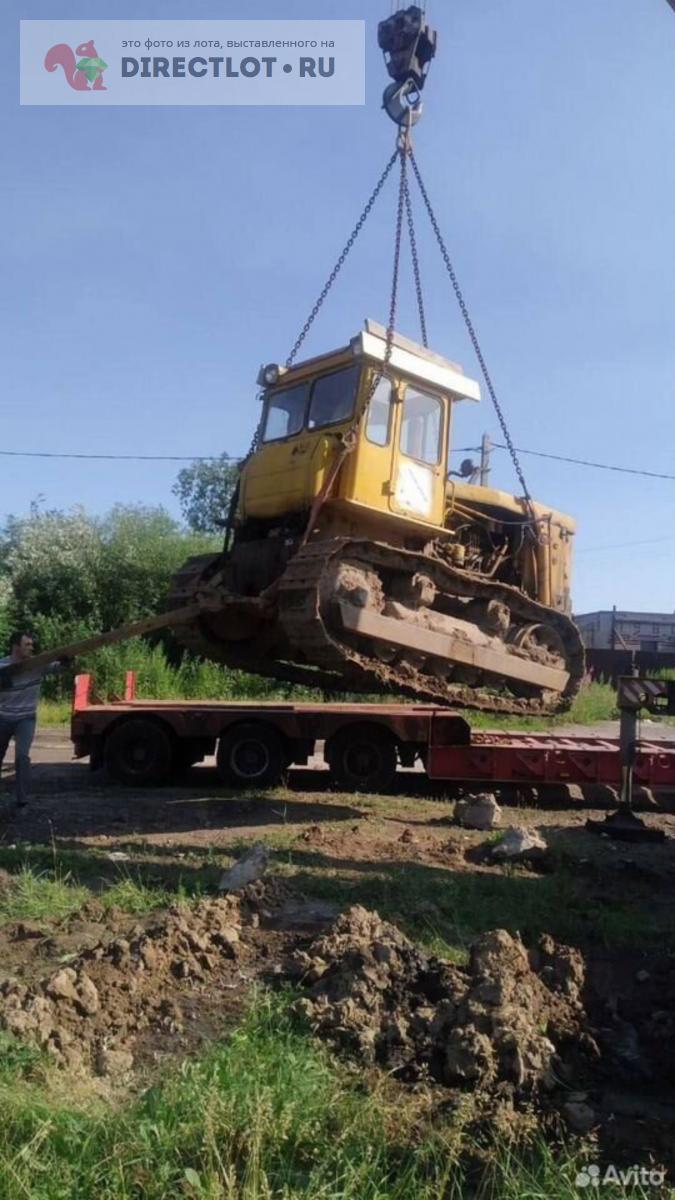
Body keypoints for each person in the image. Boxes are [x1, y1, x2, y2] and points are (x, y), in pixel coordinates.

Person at [0, 632, 69, 813]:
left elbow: (58, 668)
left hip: (26, 718)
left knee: (22, 756)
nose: (31, 648)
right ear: (16, 647)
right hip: (3, 717)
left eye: (32, 645)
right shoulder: (2, 665)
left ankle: (22, 800)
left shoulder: (38, 664)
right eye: (27, 645)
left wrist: (67, 661)